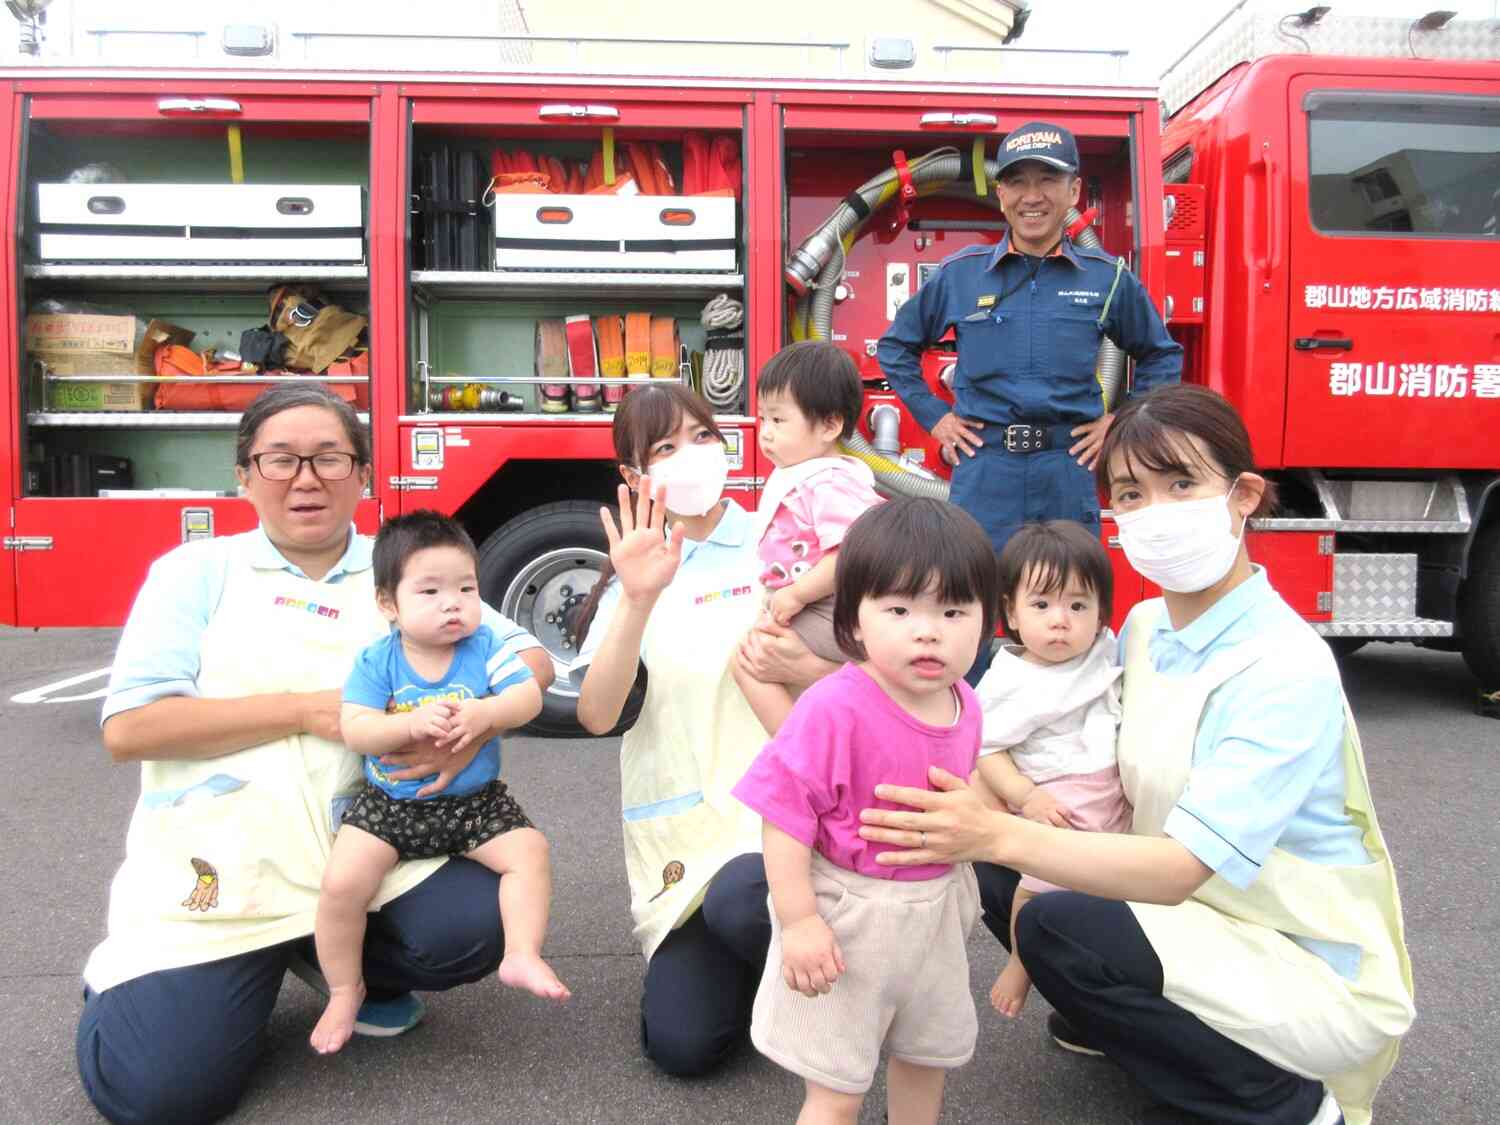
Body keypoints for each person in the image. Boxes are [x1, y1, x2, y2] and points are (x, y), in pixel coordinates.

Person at [858, 384, 1415, 1125]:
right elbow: (1034, 715)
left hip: (1297, 958)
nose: (1155, 510)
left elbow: (1184, 868)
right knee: (1006, 866)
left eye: (1181, 483)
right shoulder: (1148, 627)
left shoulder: (1283, 665)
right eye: (1131, 492)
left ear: (1243, 494)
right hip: (1198, 920)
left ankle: (1286, 1102)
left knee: (1049, 909)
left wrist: (996, 828)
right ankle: (1136, 1022)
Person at [75, 384, 555, 1125]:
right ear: (244, 474)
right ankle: (168, 983)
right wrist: (305, 711)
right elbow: (131, 727)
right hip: (230, 865)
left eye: (330, 457)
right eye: (281, 459)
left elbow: (529, 660)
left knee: (476, 920)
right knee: (160, 1097)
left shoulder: (399, 565)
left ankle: (325, 955)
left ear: (362, 472)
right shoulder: (197, 573)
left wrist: (481, 722)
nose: (307, 477)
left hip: (366, 849)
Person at [572, 383, 842, 1076]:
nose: (691, 455)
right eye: (665, 447)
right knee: (682, 1046)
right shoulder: (635, 571)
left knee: (745, 899)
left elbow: (865, 672)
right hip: (686, 837)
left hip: (786, 825)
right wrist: (636, 598)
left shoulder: (781, 540)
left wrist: (805, 665)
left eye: (703, 436)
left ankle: (829, 981)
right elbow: (598, 714)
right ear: (635, 477)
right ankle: (771, 971)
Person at [876, 119, 1183, 682]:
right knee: (967, 606)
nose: (1032, 196)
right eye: (1018, 181)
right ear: (1001, 194)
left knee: (1066, 610)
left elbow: (1162, 356)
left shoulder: (1107, 278)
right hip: (984, 469)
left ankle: (1064, 749)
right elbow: (896, 348)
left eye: (1049, 180)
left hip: (1066, 469)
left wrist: (1120, 422)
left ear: (1073, 191)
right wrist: (936, 417)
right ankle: (966, 734)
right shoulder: (961, 275)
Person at [732, 498, 1000, 1125]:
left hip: (933, 912)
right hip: (849, 915)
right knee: (837, 1087)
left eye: (954, 611)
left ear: (988, 620)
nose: (927, 630)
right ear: (854, 617)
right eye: (900, 609)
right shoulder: (836, 705)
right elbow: (785, 812)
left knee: (925, 1058)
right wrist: (798, 921)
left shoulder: (965, 701)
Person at [310, 511, 563, 1056]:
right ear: (388, 604)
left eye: (466, 588)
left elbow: (529, 697)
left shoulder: (486, 645)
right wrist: (405, 724)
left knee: (530, 851)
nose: (453, 603)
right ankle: (345, 987)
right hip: (391, 804)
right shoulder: (380, 659)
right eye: (430, 591)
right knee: (340, 886)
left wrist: (486, 715)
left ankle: (521, 951)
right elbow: (355, 728)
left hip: (472, 802)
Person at [972, 519, 1130, 1019]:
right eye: (1041, 605)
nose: (1060, 621)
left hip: (1116, 793)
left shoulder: (1103, 651)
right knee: (1040, 884)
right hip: (1063, 795)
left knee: (1111, 889)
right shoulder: (1011, 680)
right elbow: (985, 749)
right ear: (1011, 614)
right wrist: (1024, 796)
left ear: (1102, 616)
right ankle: (1022, 960)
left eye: (1077, 606)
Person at [734, 340, 882, 733]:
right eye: (763, 418)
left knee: (750, 661)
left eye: (779, 421)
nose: (765, 433)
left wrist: (796, 594)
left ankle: (796, 757)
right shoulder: (805, 475)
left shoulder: (831, 482)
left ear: (830, 425)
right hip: (810, 605)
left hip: (828, 608)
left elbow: (849, 556)